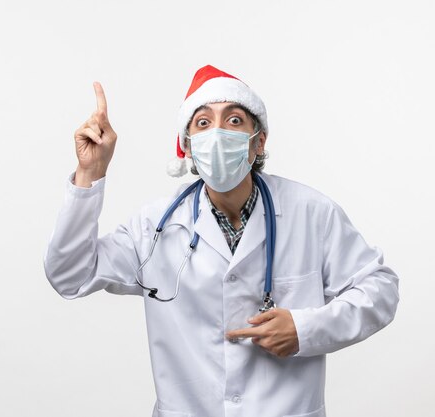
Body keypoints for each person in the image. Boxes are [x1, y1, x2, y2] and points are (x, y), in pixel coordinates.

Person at [44, 65, 399, 417]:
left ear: (258, 141)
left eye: (233, 121)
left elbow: (379, 288)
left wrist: (305, 329)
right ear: (188, 147)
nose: (217, 134)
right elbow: (70, 275)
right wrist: (90, 173)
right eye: (202, 123)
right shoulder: (155, 225)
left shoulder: (311, 212)